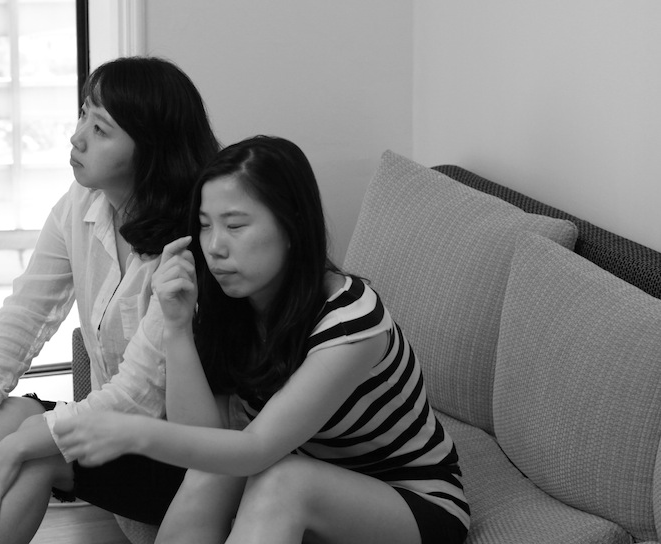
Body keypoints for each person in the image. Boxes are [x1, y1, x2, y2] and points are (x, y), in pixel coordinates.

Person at [53, 136, 470, 544]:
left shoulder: (352, 320)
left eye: (235, 225)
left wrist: (131, 431)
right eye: (204, 226)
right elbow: (205, 440)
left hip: (409, 500)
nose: (215, 247)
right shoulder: (229, 305)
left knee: (284, 481)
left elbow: (256, 448)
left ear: (291, 226)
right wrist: (176, 327)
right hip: (307, 476)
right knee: (215, 471)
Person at [0, 56, 220, 544]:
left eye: (101, 129)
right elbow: (26, 313)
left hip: (178, 459)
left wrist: (21, 446)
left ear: (151, 150)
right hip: (113, 433)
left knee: (29, 452)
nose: (77, 137)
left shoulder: (184, 250)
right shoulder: (83, 201)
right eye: (84, 114)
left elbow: (136, 398)